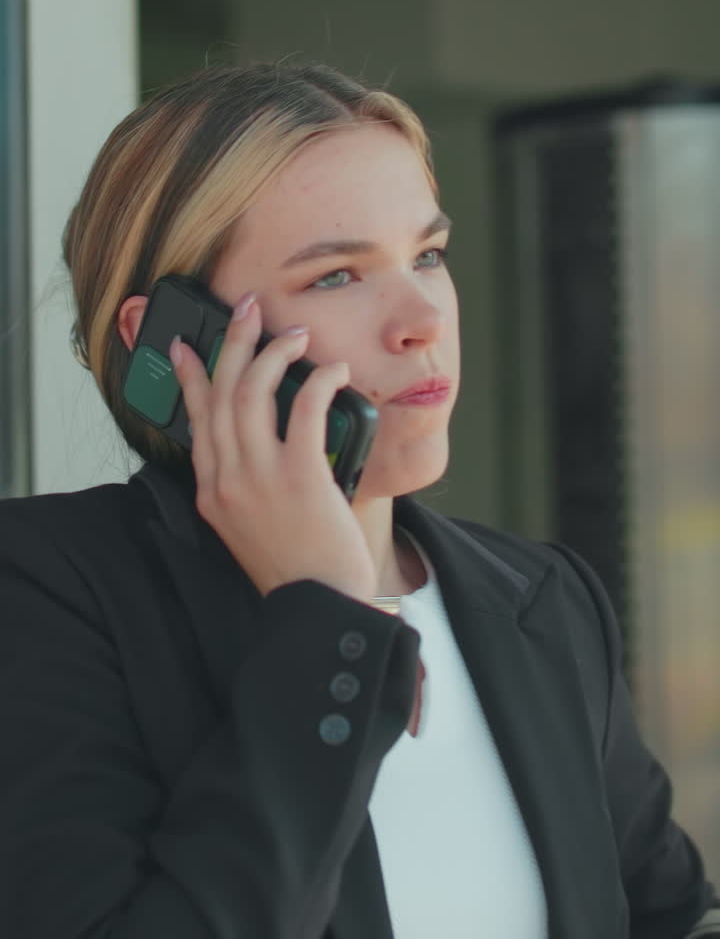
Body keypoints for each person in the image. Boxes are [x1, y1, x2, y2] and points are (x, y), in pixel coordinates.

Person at [0, 61, 717, 939]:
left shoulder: (544, 599)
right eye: (337, 275)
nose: (423, 316)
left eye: (428, 255)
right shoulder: (46, 589)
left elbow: (672, 917)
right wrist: (324, 618)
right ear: (173, 342)